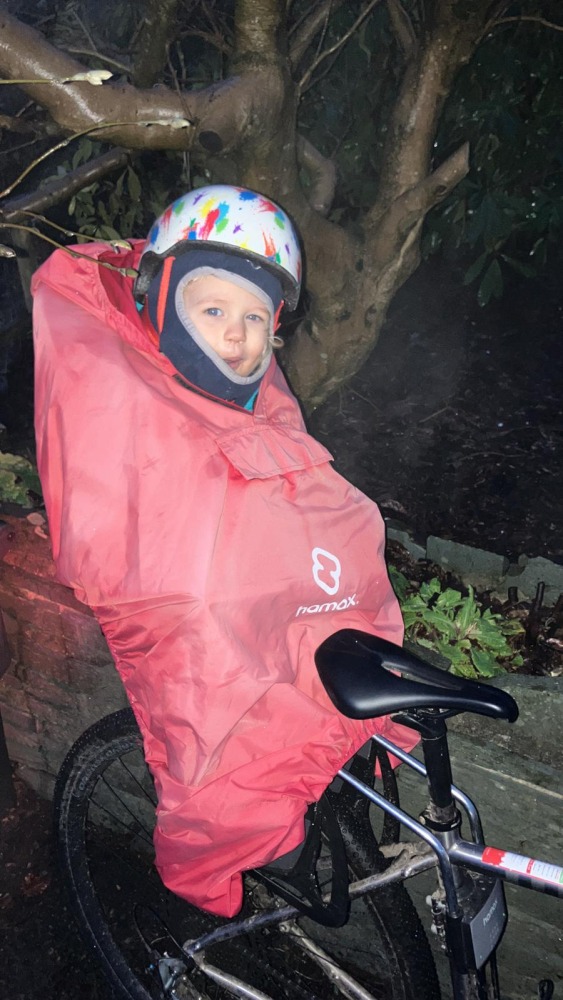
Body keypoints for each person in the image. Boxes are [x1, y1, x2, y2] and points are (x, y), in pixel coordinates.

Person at [32, 184, 417, 918]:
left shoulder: (247, 401)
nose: (239, 337)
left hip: (296, 607)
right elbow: (144, 538)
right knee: (217, 676)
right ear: (159, 301)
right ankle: (262, 838)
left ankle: (330, 777)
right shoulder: (130, 396)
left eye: (255, 317)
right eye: (212, 310)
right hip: (205, 617)